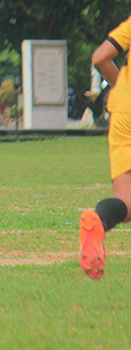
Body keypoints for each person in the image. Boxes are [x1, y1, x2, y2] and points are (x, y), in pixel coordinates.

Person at [80, 14, 131, 279]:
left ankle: (99, 221)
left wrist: (121, 87)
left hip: (124, 112)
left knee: (126, 200)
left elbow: (100, 57)